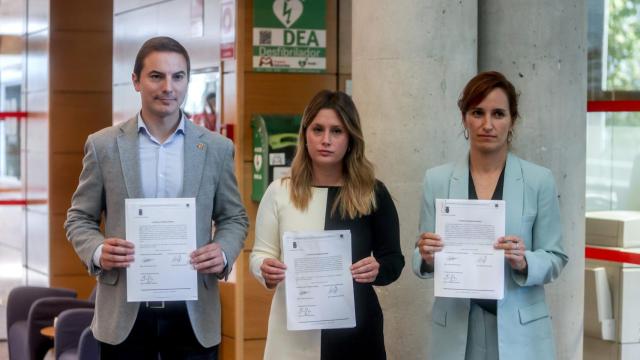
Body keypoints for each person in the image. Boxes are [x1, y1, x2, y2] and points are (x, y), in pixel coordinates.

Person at [65, 36, 248, 359]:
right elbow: (79, 218)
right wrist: (97, 250)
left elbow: (234, 218)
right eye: (156, 76)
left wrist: (222, 253)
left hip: (193, 315)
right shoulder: (103, 145)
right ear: (135, 81)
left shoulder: (216, 148)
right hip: (125, 314)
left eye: (178, 76)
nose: (168, 87)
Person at [412, 71, 568, 360]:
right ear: (464, 119)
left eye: (498, 114)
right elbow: (419, 251)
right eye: (477, 112)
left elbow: (556, 257)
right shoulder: (436, 179)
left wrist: (525, 261)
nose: (487, 124)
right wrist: (426, 255)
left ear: (512, 121)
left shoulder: (539, 180)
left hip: (519, 330)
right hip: (457, 325)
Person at [250, 90, 404, 360]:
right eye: (317, 129)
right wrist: (264, 268)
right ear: (305, 134)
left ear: (351, 139)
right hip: (294, 330)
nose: (325, 140)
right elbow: (260, 254)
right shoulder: (279, 192)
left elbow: (393, 260)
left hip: (356, 330)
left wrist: (377, 268)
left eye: (337, 131)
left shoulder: (372, 193)